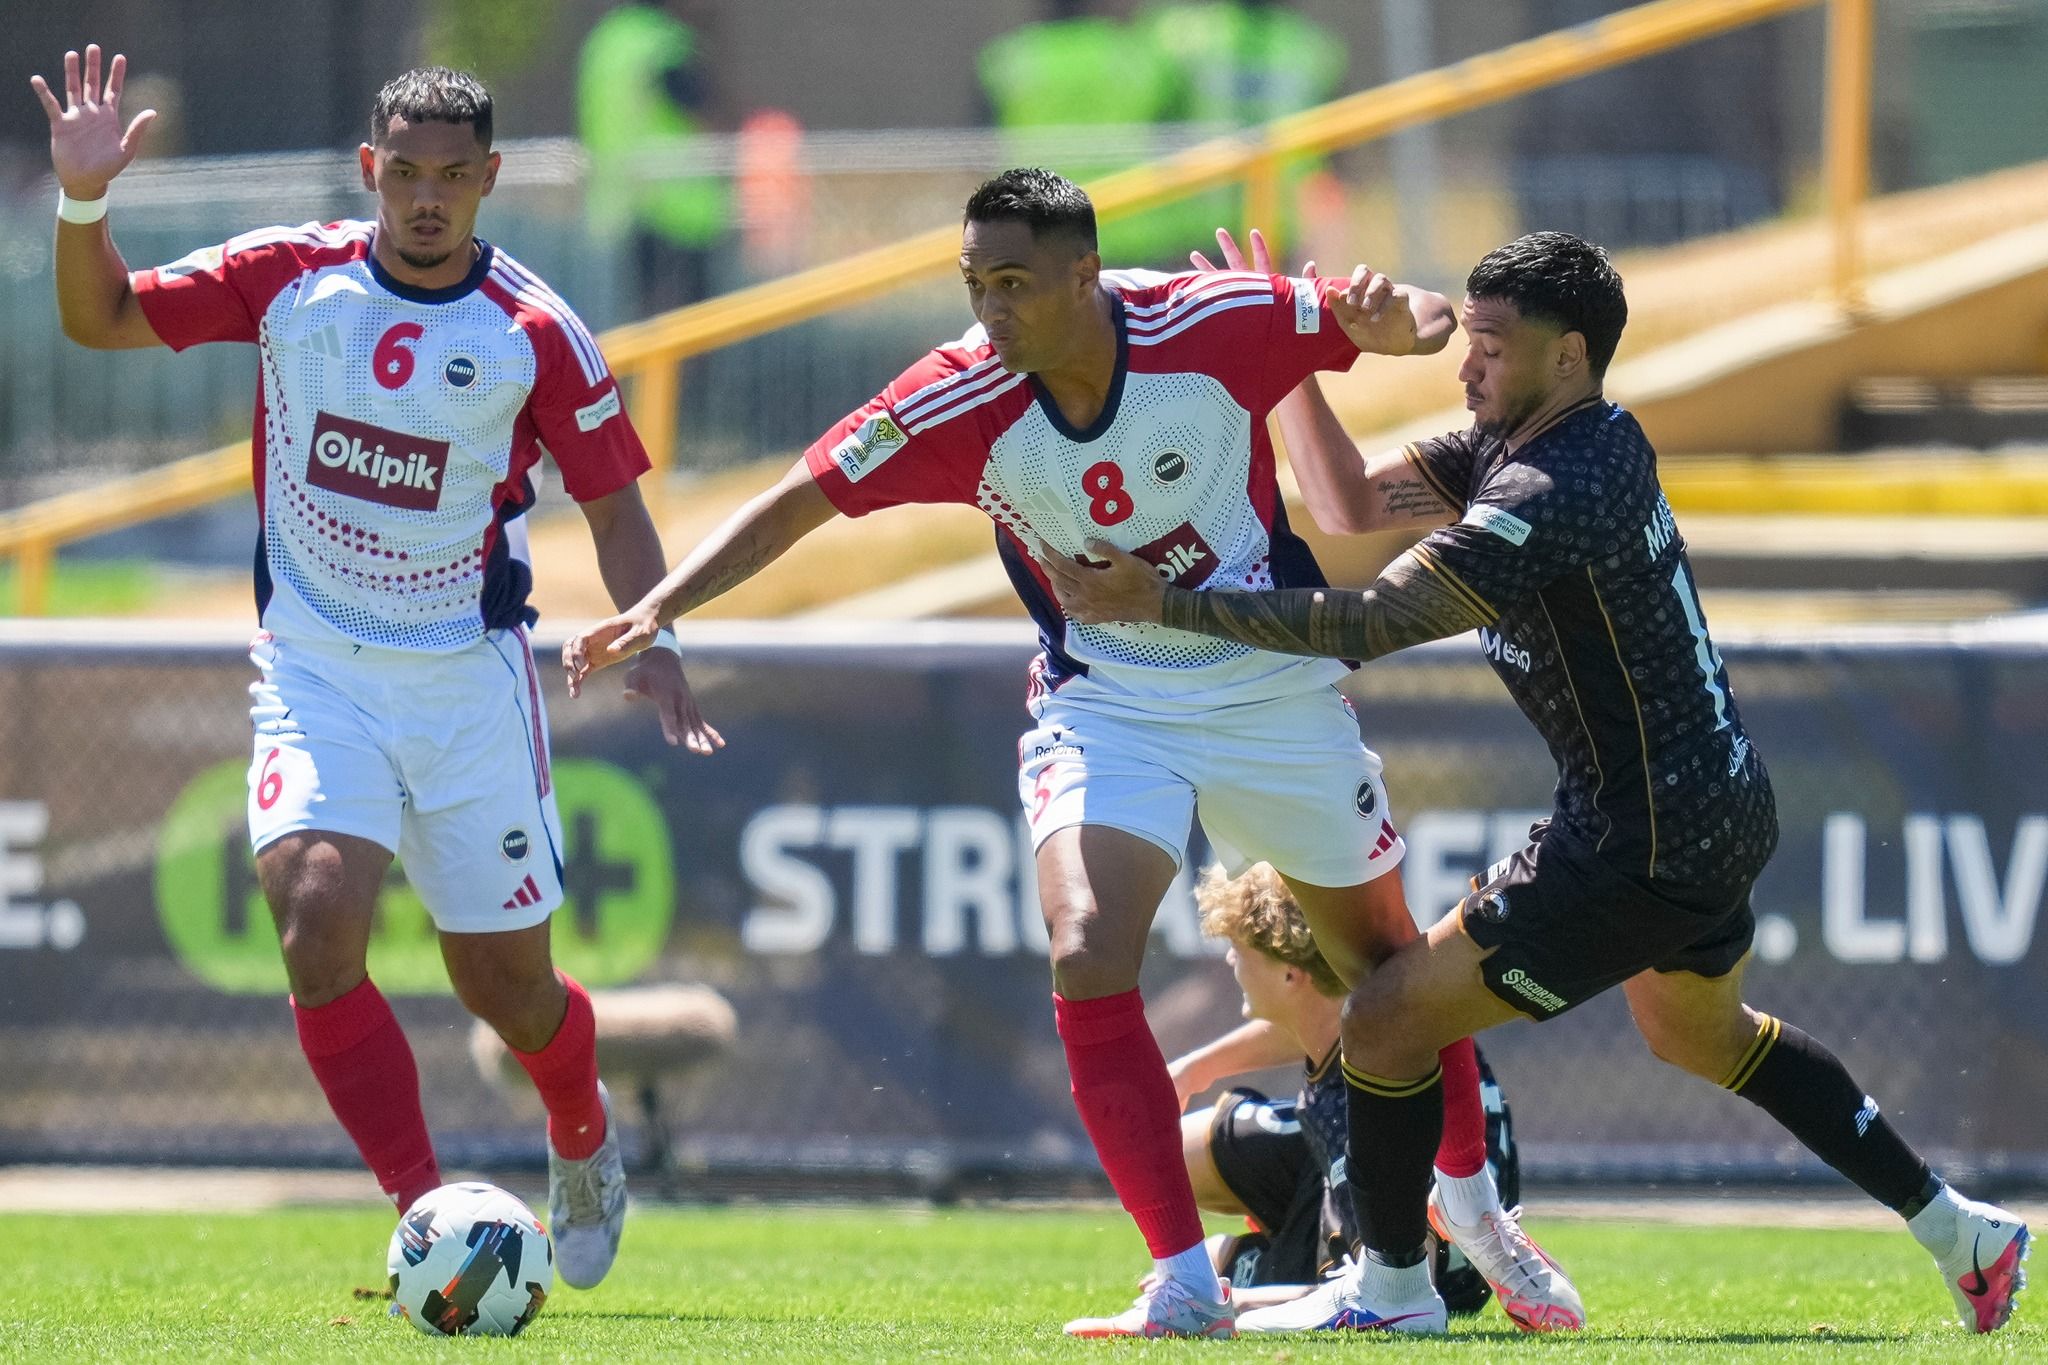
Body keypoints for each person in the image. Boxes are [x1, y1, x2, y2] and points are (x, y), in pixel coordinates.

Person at [562, 167, 1581, 1338]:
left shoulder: (1208, 325)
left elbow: (1419, 318)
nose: (989, 310)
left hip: (1269, 684)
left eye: (1013, 283)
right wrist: (663, 607)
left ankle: (1475, 1209)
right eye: (973, 284)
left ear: (1085, 273)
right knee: (1088, 946)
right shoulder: (956, 396)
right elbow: (803, 495)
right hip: (1111, 703)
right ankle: (1182, 1280)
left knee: (1385, 969)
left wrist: (1389, 312)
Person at [1040, 227, 2032, 1336]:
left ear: (1566, 357)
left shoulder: (1555, 482)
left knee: (1381, 1017)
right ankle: (1962, 1233)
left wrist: (1160, 602)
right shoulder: (1527, 441)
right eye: (1466, 342)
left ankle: (1394, 1294)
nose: (1465, 368)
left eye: (1490, 348)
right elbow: (1346, 504)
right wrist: (1283, 363)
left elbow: (1374, 621)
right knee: (1702, 1037)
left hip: (1635, 841)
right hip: (1712, 810)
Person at [33, 48, 721, 1291]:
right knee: (313, 920)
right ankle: (429, 1213)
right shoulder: (288, 278)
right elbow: (103, 317)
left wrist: (656, 636)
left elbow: (615, 510)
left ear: (490, 180)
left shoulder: (533, 332)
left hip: (468, 683)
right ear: (368, 168)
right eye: (402, 171)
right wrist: (84, 204)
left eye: (451, 177)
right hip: (316, 669)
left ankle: (582, 1130)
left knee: (508, 991)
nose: (423, 197)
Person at [1169, 862, 1517, 1327]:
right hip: (1458, 1213)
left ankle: (1257, 1260)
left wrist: (1233, 1306)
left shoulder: (1351, 1104)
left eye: (1239, 947)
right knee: (1169, 1152)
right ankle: (1273, 1243)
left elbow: (1412, 1278)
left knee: (1215, 1259)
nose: (1231, 960)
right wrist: (1196, 1070)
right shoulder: (1376, 1000)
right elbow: (1311, 1022)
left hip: (1428, 1266)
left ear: (1293, 974)